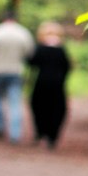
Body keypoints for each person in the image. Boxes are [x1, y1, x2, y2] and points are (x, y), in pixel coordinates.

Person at [0, 10, 34, 144]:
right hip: (16, 72)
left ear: (4, 19)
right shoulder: (23, 33)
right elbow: (30, 53)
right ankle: (15, 134)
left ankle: (0, 127)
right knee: (15, 103)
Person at [27, 21, 71, 149]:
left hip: (41, 82)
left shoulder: (40, 48)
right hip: (58, 84)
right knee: (57, 109)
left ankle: (41, 132)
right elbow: (67, 67)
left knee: (39, 107)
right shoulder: (61, 49)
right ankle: (52, 135)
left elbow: (32, 62)